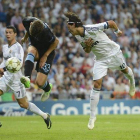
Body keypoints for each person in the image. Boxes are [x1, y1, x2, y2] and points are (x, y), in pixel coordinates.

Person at [64, 12, 135, 130]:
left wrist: (117, 31)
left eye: (69, 27)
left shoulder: (91, 28)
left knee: (125, 71)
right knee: (96, 84)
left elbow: (111, 23)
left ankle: (132, 82)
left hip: (113, 53)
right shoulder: (77, 36)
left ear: (75, 25)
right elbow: (87, 51)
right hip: (100, 59)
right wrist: (87, 46)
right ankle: (92, 117)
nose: (68, 30)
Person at [0, 26, 51, 129]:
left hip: (16, 80)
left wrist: (4, 69)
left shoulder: (18, 47)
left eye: (10, 32)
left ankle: (44, 115)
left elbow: (18, 63)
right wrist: (1, 69)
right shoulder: (5, 47)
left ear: (15, 34)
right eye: (6, 32)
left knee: (23, 104)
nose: (8, 34)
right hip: (5, 78)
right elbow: (4, 61)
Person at [21, 17, 59, 101]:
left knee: (39, 83)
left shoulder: (46, 31)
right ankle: (27, 78)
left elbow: (56, 42)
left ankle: (48, 88)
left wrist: (45, 56)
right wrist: (25, 38)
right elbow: (28, 30)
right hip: (35, 48)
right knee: (31, 51)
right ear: (31, 24)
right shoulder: (26, 21)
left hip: (47, 52)